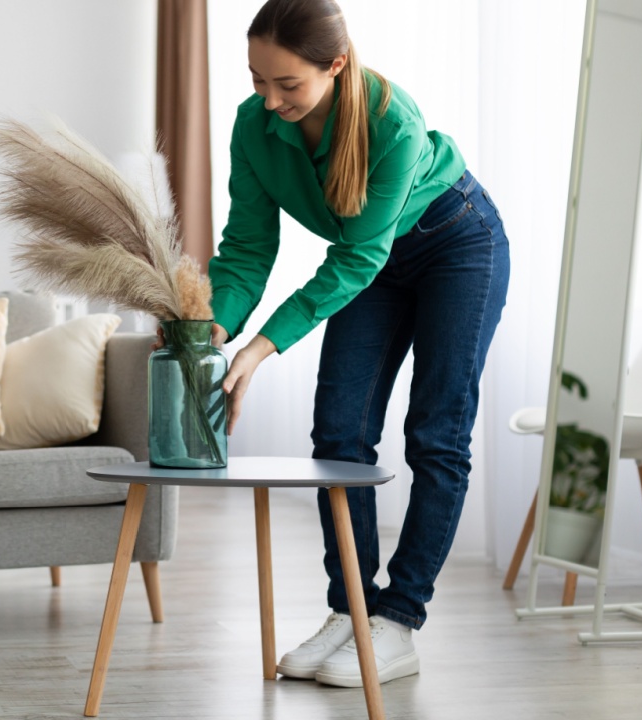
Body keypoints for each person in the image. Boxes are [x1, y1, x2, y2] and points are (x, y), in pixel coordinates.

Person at [206, 0, 510, 687]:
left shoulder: (390, 123)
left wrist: (261, 348)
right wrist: (216, 330)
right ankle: (349, 610)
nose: (270, 99)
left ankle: (397, 620)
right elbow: (247, 249)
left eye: (289, 85)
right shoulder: (254, 127)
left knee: (436, 433)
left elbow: (354, 261)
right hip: (369, 261)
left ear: (336, 66)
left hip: (454, 243)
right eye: (258, 79)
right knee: (338, 432)